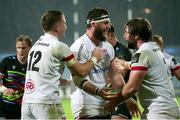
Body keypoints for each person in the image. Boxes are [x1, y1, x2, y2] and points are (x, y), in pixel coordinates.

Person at [21, 10, 103, 120]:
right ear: (58, 27)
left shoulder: (36, 45)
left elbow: (43, 75)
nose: (66, 26)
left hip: (28, 103)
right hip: (48, 103)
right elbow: (81, 71)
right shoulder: (59, 46)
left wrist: (66, 82)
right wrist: (95, 58)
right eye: (64, 22)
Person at [104, 17, 180, 119]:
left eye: (126, 32)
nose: (124, 36)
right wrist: (126, 64)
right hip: (164, 108)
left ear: (136, 35)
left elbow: (131, 88)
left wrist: (112, 103)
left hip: (160, 111)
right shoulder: (154, 48)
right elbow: (146, 66)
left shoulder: (142, 53)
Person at [70, 7, 139, 119]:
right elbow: (79, 78)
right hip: (86, 107)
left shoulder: (108, 47)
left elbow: (115, 76)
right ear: (93, 24)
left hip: (104, 106)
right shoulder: (78, 47)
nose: (109, 26)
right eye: (105, 23)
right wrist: (98, 91)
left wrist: (127, 99)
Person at [107, 24, 138, 119]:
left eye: (103, 37)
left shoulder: (122, 52)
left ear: (111, 36)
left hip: (123, 100)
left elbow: (115, 79)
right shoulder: (107, 51)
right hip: (112, 98)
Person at [0, 35, 32, 119]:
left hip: (24, 108)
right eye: (18, 47)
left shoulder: (33, 65)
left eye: (24, 48)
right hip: (5, 106)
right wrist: (4, 89)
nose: (21, 50)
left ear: (30, 48)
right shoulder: (7, 61)